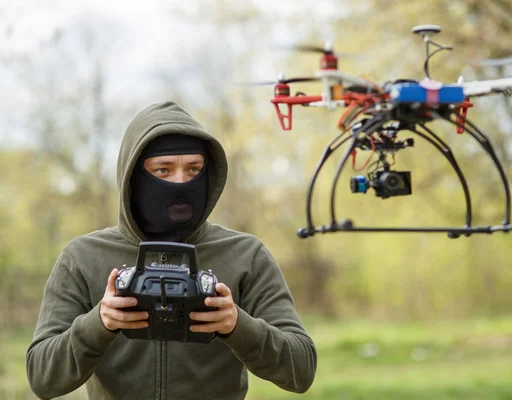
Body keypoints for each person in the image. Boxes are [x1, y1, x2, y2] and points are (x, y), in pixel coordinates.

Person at [26, 101, 317, 399]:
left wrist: (237, 326)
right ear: (133, 177)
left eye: (193, 169)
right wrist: (99, 323)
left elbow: (301, 370)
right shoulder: (83, 257)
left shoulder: (245, 254)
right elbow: (42, 378)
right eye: (163, 170)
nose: (181, 182)